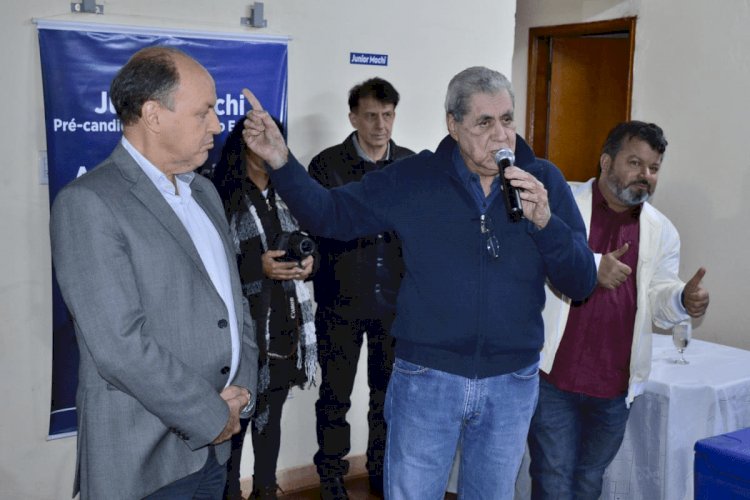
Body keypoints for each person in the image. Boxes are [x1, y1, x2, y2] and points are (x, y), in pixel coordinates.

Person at [240, 66, 597, 499]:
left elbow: (581, 283)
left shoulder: (544, 182)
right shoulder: (415, 178)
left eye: (507, 120)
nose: (501, 136)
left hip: (511, 383)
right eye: (484, 123)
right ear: (454, 123)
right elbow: (328, 214)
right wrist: (280, 160)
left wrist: (546, 222)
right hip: (428, 379)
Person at [49, 46, 259, 500]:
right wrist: (210, 414)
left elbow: (233, 303)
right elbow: (120, 347)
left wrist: (242, 389)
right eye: (204, 112)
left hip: (216, 449)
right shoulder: (89, 203)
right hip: (143, 458)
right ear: (153, 114)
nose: (218, 126)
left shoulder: (204, 193)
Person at [528, 121, 710, 499]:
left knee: (589, 481)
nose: (645, 176)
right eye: (635, 163)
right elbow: (536, 270)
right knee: (553, 477)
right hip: (554, 378)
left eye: (654, 168)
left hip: (613, 386)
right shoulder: (563, 206)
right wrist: (593, 268)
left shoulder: (662, 230)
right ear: (606, 162)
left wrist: (681, 300)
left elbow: (659, 301)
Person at [307, 77, 414, 499]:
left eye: (387, 116)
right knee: (335, 395)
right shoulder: (326, 165)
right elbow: (314, 226)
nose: (380, 125)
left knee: (386, 396)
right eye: (371, 116)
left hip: (394, 304)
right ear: (352, 117)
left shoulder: (408, 166)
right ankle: (331, 474)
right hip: (340, 300)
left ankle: (379, 466)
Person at [213, 120, 318, 500]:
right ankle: (228, 493)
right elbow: (211, 266)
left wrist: (310, 265)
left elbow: (312, 243)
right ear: (245, 145)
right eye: (264, 139)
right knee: (236, 423)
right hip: (243, 331)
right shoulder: (222, 194)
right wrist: (259, 266)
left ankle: (265, 489)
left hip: (285, 327)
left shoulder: (289, 191)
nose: (272, 146)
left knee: (270, 421)